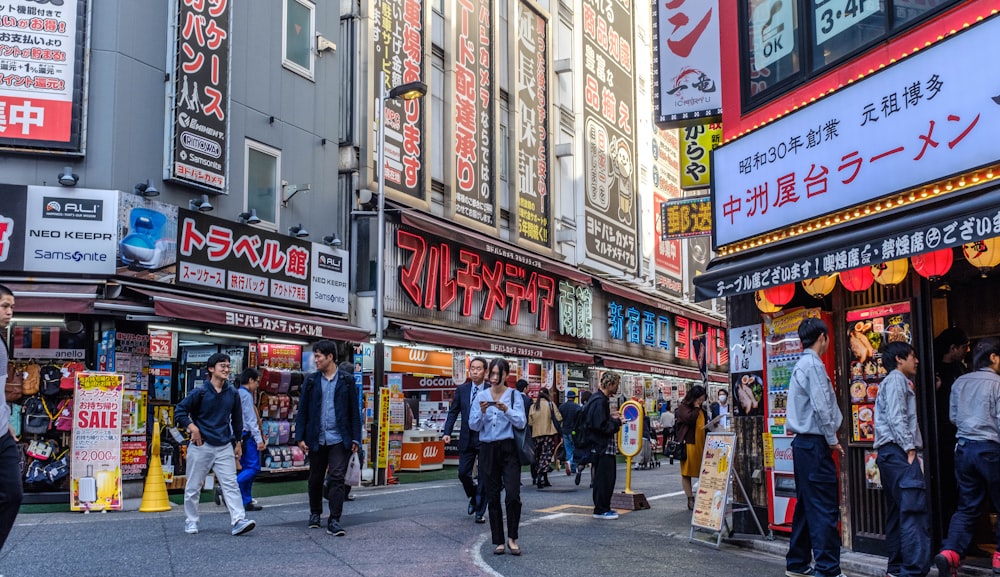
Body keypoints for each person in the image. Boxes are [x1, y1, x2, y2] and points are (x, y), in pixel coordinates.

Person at [934, 337, 1000, 577]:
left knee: (966, 506)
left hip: (963, 448)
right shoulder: (997, 383)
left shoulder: (960, 381)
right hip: (990, 449)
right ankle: (999, 559)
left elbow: (953, 417)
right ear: (993, 358)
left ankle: (950, 552)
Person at [784, 317, 844, 577]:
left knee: (808, 505)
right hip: (814, 443)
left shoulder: (802, 364)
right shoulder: (814, 365)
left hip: (802, 445)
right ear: (823, 337)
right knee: (823, 507)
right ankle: (828, 569)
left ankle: (797, 563)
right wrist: (832, 439)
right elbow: (822, 407)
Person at [175, 352, 256, 536]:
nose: (227, 369)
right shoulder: (200, 392)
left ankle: (238, 520)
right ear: (211, 369)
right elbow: (179, 411)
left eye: (228, 366)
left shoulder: (233, 393)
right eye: (222, 366)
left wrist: (238, 442)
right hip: (201, 445)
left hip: (224, 445)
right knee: (193, 486)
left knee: (231, 484)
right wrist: (192, 428)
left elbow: (237, 420)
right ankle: (191, 520)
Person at [874, 341, 930, 577]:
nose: (916, 361)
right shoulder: (896, 380)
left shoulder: (891, 382)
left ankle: (896, 569)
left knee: (898, 513)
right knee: (913, 512)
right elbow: (898, 416)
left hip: (888, 454)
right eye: (912, 356)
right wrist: (909, 448)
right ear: (899, 359)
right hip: (898, 452)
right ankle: (912, 571)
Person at [295, 340, 362, 537]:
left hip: (340, 438)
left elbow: (353, 412)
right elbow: (303, 411)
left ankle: (334, 519)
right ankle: (315, 513)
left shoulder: (347, 380)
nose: (315, 360)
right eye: (315, 356)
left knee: (337, 477)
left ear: (330, 357)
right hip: (316, 436)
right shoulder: (311, 380)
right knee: (315, 477)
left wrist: (356, 438)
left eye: (318, 356)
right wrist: (300, 437)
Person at [468, 358, 526, 556]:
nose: (493, 378)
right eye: (490, 374)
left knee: (512, 495)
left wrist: (506, 410)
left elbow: (521, 422)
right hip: (487, 449)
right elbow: (473, 425)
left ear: (506, 375)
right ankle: (498, 540)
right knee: (492, 495)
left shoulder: (514, 395)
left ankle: (512, 538)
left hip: (509, 448)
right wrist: (482, 412)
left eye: (497, 374)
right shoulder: (481, 395)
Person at [442, 356, 489, 523]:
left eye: (478, 368)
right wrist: (447, 431)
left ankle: (480, 512)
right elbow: (453, 411)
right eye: (473, 368)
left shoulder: (492, 389)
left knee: (484, 475)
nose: (475, 371)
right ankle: (474, 495)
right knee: (463, 473)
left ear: (486, 371)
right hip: (466, 436)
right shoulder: (462, 390)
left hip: (485, 438)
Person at [933, 327, 969, 528]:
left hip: (959, 432)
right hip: (943, 434)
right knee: (947, 483)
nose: (967, 350)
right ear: (953, 348)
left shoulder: (960, 369)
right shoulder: (934, 368)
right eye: (965, 346)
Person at [0, 285, 22, 551]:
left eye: (12, 307)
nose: (9, 312)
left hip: (2, 434)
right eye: (5, 306)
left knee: (13, 494)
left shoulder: (1, 342)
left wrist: (5, 420)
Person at [583, 371, 622, 520]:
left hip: (599, 446)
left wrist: (611, 418)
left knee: (604, 477)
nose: (617, 388)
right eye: (617, 384)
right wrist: (616, 422)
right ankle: (601, 508)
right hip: (603, 446)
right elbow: (601, 425)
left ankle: (603, 507)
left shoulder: (597, 399)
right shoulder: (600, 401)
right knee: (605, 478)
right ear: (610, 384)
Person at [675, 385, 709, 510]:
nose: (701, 402)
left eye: (702, 399)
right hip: (689, 443)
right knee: (686, 472)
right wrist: (695, 407)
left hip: (702, 443)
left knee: (704, 470)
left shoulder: (702, 409)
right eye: (699, 399)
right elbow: (690, 419)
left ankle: (703, 496)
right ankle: (690, 498)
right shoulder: (683, 407)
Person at [236, 368, 265, 512]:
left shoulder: (237, 393)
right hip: (248, 436)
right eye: (257, 381)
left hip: (240, 437)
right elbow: (251, 419)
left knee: (246, 468)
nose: (258, 385)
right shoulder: (246, 396)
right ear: (251, 380)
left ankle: (246, 500)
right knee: (253, 468)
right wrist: (259, 439)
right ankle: (230, 488)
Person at [528, 388, 562, 489]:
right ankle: (540, 476)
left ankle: (544, 478)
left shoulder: (533, 406)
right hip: (548, 433)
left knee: (538, 456)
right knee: (546, 456)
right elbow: (559, 417)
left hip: (536, 434)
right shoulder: (550, 404)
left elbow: (530, 422)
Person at [558, 390, 582, 474]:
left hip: (564, 430)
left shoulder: (561, 407)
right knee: (574, 448)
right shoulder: (577, 407)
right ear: (574, 397)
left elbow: (559, 419)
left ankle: (571, 466)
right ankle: (571, 463)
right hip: (574, 431)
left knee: (568, 449)